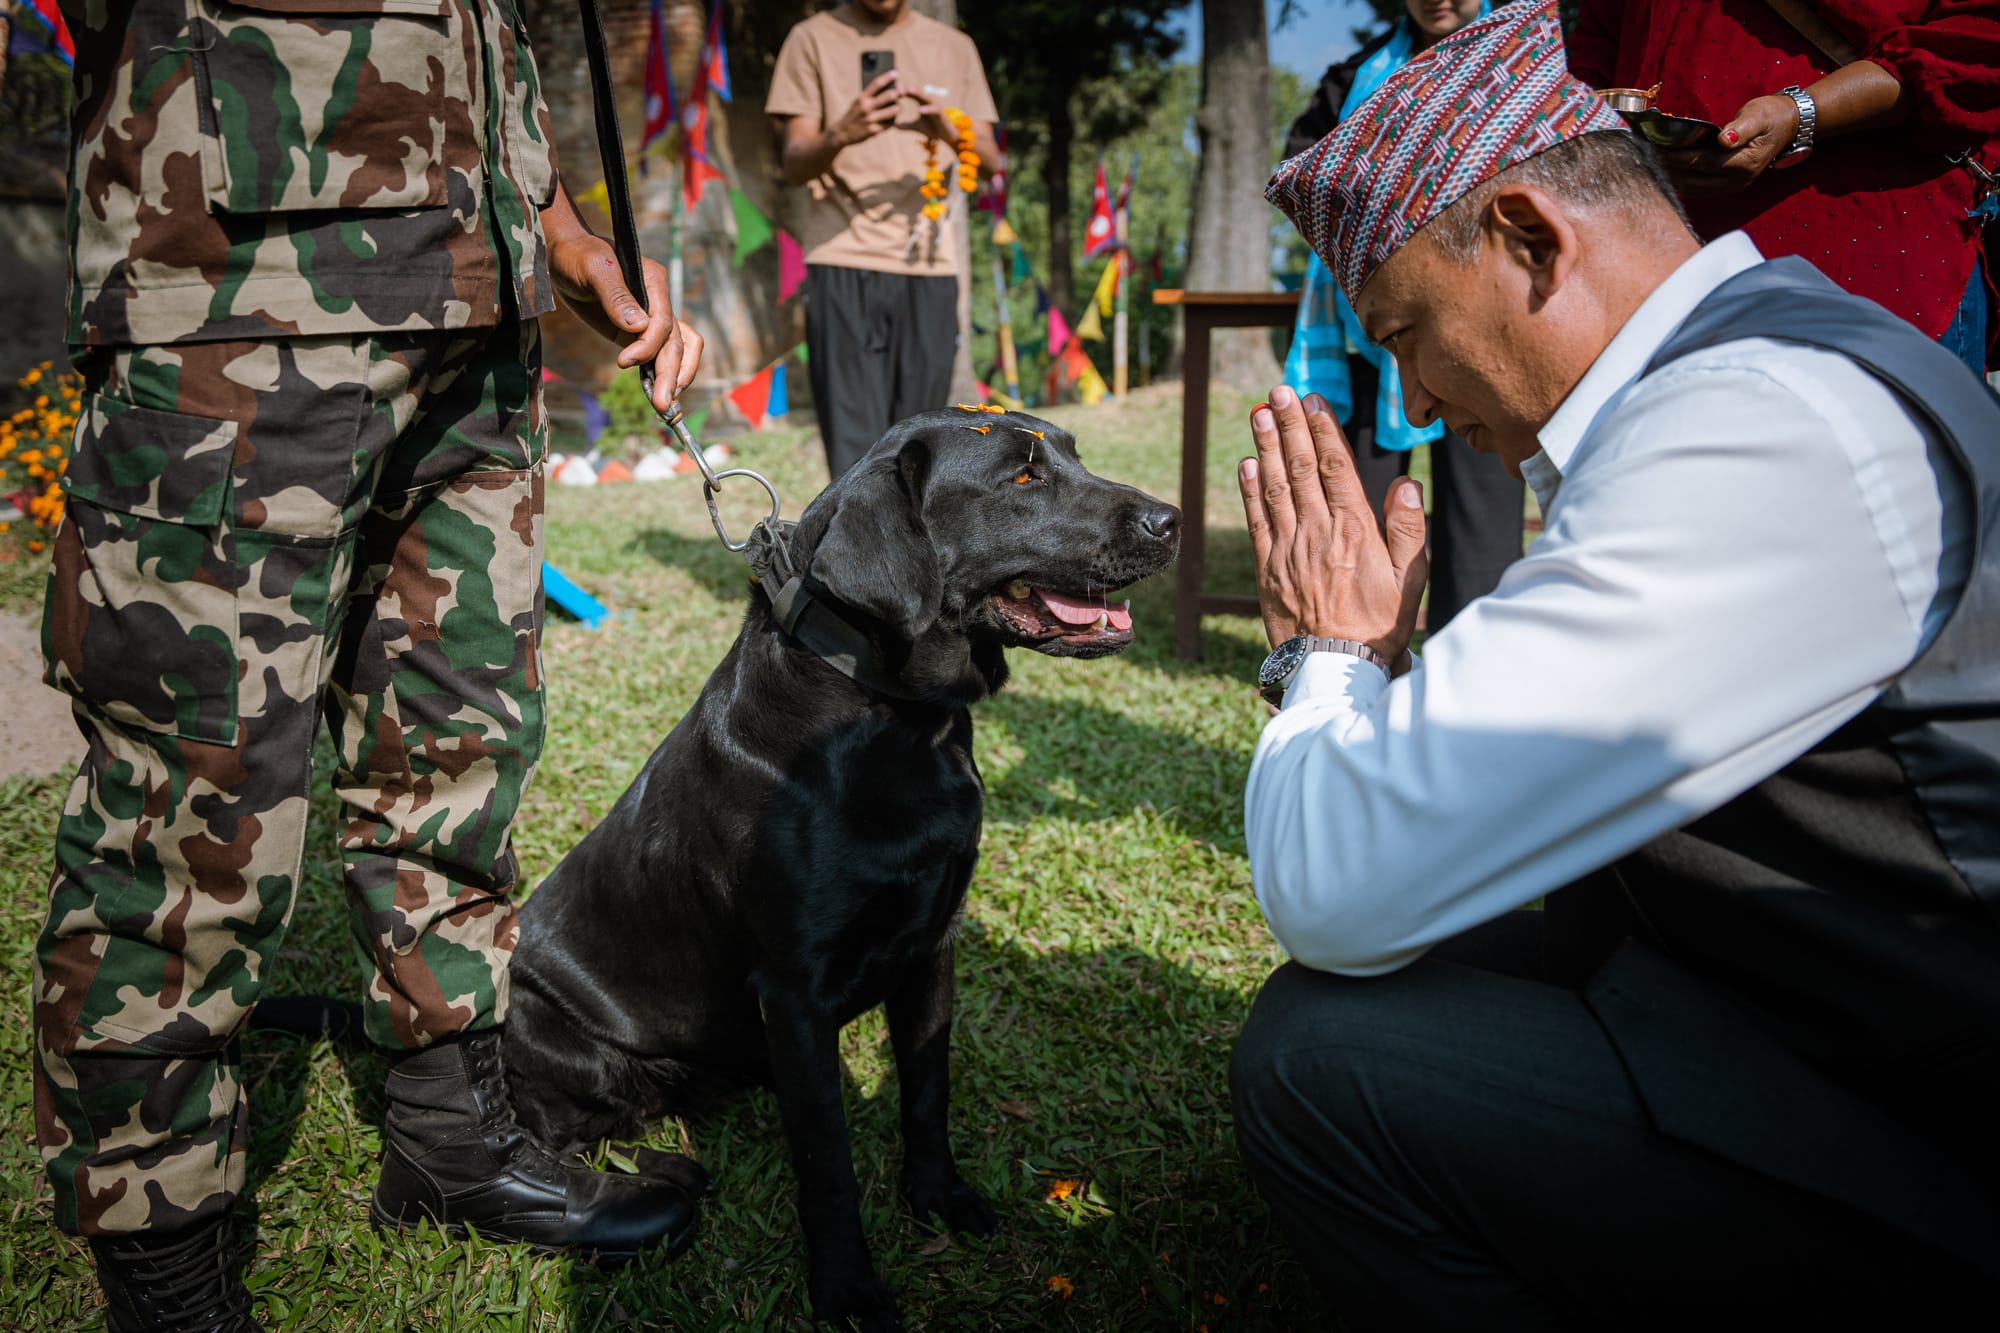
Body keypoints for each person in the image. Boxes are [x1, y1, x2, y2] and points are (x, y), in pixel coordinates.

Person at [1234, 1, 1999, 1325]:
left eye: (1409, 334)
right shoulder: (1778, 350)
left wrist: (1331, 654)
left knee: (1318, 1059)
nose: (1412, 405)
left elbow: (1331, 884)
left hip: (1944, 1142)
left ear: (1531, 236)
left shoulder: (1754, 433)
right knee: (1478, 929)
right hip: (1832, 1024)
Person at [35, 2, 710, 1327]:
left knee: (455, 746)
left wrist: (560, 228)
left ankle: (451, 1131)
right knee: (195, 804)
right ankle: (163, 1251)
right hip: (240, 293)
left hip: (478, 294)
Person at [1569, 0, 2000, 376]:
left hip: (1868, 265)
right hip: (1654, 276)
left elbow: (1976, 38)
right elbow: (1603, 36)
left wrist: (1803, 113)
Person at [1279, 0, 1525, 631]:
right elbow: (1303, 174)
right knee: (1358, 507)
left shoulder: (1522, 59)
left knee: (1483, 514)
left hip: (1485, 327)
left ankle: (1473, 666)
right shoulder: (1353, 76)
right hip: (1374, 334)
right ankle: (1357, 653)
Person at [766, 0, 998, 480]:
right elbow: (794, 163)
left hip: (929, 265)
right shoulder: (810, 38)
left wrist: (951, 131)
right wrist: (842, 133)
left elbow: (993, 160)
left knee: (921, 449)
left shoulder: (954, 47)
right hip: (841, 257)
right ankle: (851, 555)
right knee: (855, 447)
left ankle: (913, 557)